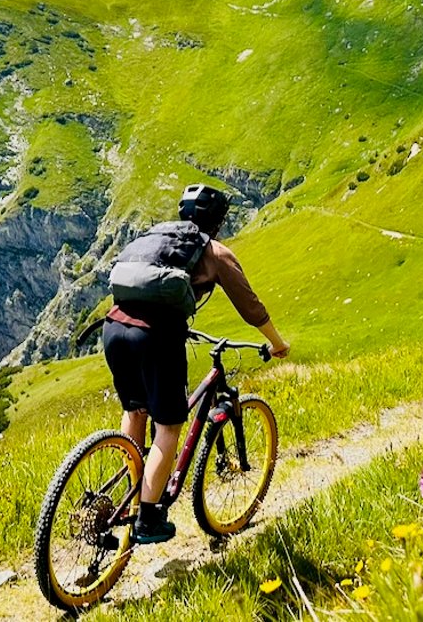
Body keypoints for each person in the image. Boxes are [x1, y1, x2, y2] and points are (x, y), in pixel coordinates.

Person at [101, 183, 290, 544]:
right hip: (155, 336)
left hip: (113, 327)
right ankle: (149, 518)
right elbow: (251, 308)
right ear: (217, 221)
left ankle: (132, 494)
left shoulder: (155, 237)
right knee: (169, 427)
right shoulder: (215, 252)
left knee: (136, 410)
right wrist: (277, 344)